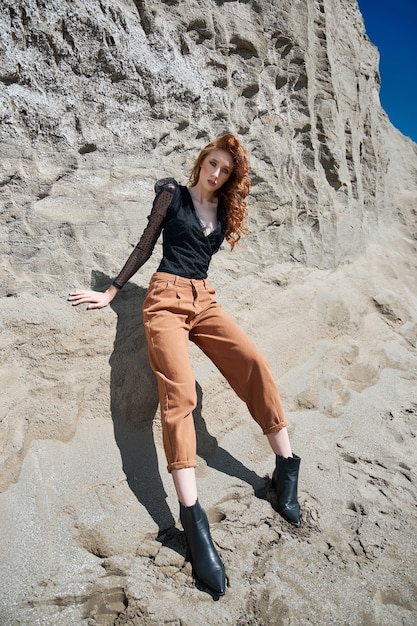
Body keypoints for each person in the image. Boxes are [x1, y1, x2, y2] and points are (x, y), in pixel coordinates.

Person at [68, 133, 301, 597]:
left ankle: (287, 467)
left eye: (225, 171)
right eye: (212, 164)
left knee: (253, 361)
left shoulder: (223, 211)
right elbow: (146, 244)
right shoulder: (171, 194)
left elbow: (204, 262)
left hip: (205, 300)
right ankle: (194, 522)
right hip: (164, 301)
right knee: (180, 394)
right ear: (201, 161)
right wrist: (111, 292)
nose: (215, 173)